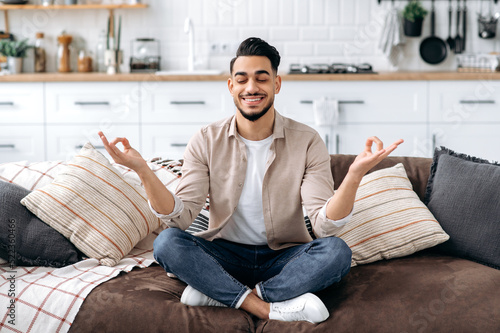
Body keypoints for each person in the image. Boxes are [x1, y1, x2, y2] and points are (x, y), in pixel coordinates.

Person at [99, 37, 403, 324]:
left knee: (337, 252)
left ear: (276, 83)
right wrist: (143, 170)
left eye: (261, 77)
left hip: (285, 255)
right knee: (167, 243)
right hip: (224, 253)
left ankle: (223, 295)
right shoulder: (205, 140)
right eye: (242, 79)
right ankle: (268, 307)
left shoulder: (307, 140)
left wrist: (353, 175)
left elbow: (324, 226)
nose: (251, 87)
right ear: (231, 86)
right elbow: (179, 218)